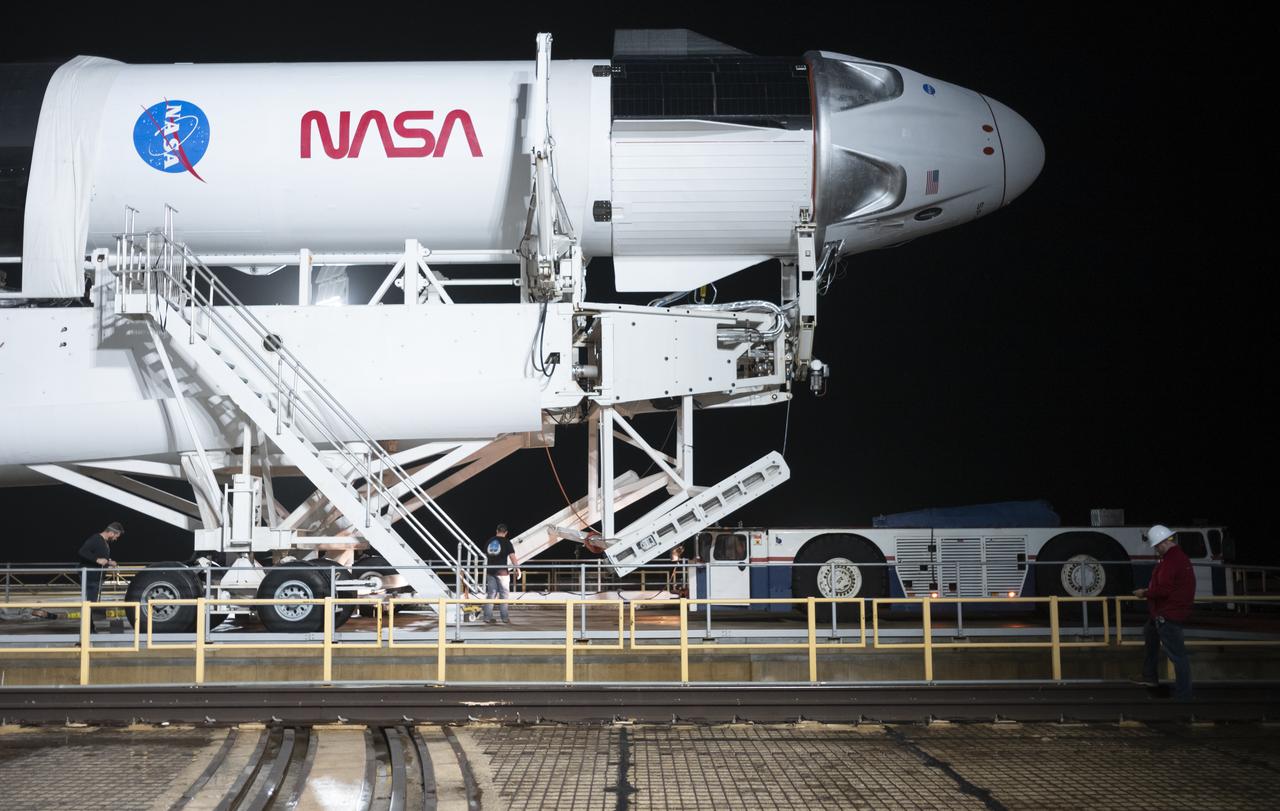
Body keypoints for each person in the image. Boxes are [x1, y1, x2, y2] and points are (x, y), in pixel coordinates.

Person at [1133, 524, 1195, 700]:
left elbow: (1165, 590)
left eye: (1156, 547)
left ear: (1162, 544)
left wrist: (1144, 593)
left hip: (1167, 614)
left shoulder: (1170, 562)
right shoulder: (1180, 559)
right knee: (1150, 631)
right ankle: (1149, 676)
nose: (1156, 550)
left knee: (1177, 655)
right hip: (1164, 613)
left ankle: (1184, 696)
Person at [78, 522, 123, 621]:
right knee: (89, 604)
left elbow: (102, 559)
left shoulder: (104, 542)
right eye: (116, 536)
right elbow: (82, 551)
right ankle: (89, 628)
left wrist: (109, 562)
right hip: (90, 577)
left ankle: (91, 627)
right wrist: (97, 560)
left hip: (96, 578)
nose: (116, 539)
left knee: (91, 604)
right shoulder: (96, 539)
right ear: (111, 532)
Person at [482, 524, 519, 624]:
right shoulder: (507, 542)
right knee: (504, 595)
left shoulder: (489, 541)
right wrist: (517, 569)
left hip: (490, 572)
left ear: (496, 530)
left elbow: (485, 556)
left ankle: (487, 617)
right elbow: (512, 557)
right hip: (502, 572)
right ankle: (505, 618)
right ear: (506, 532)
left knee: (491, 594)